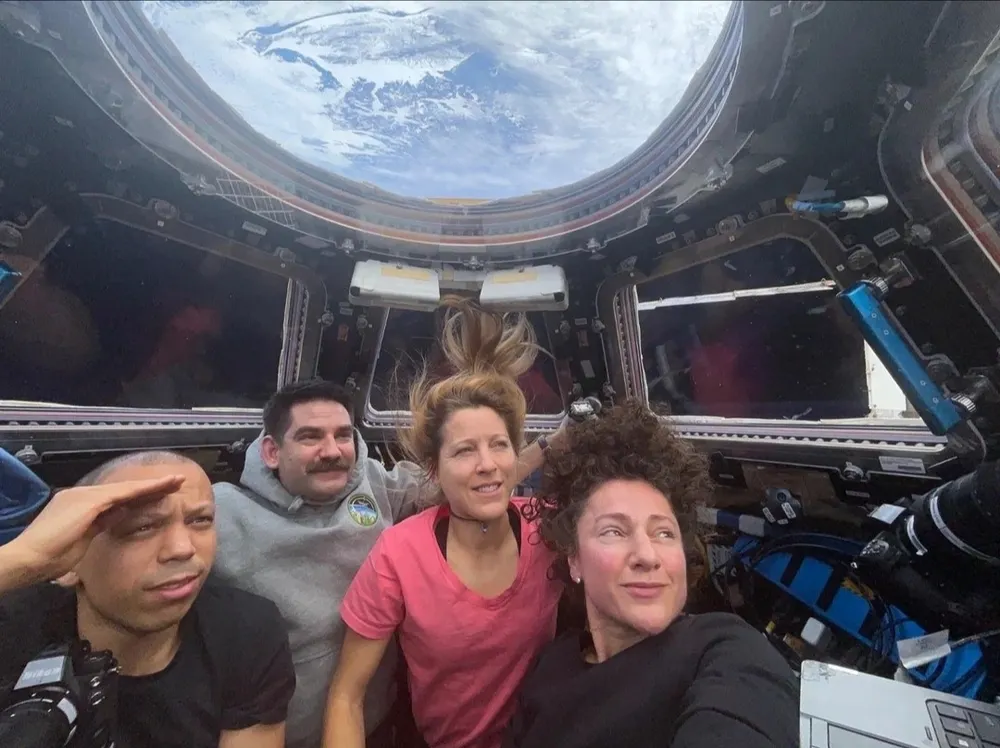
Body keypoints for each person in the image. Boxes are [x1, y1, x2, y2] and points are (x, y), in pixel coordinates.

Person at [212, 375, 562, 748]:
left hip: (378, 724)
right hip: (273, 730)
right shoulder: (223, 514)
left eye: (343, 435)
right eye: (310, 437)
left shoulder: (379, 486)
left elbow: (472, 485)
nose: (331, 450)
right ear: (271, 451)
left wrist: (554, 442)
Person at [323, 297, 566, 748]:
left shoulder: (549, 529)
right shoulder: (400, 554)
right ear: (434, 469)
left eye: (499, 445)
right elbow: (346, 697)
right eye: (464, 451)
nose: (487, 464)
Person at [505, 402, 799, 748]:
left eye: (664, 533)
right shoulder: (550, 668)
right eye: (614, 531)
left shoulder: (726, 651)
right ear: (574, 560)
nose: (647, 555)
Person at [0, 451, 296, 748]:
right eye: (142, 527)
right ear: (68, 563)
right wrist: (23, 558)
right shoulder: (13, 627)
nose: (183, 548)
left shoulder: (247, 632)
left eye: (200, 520)